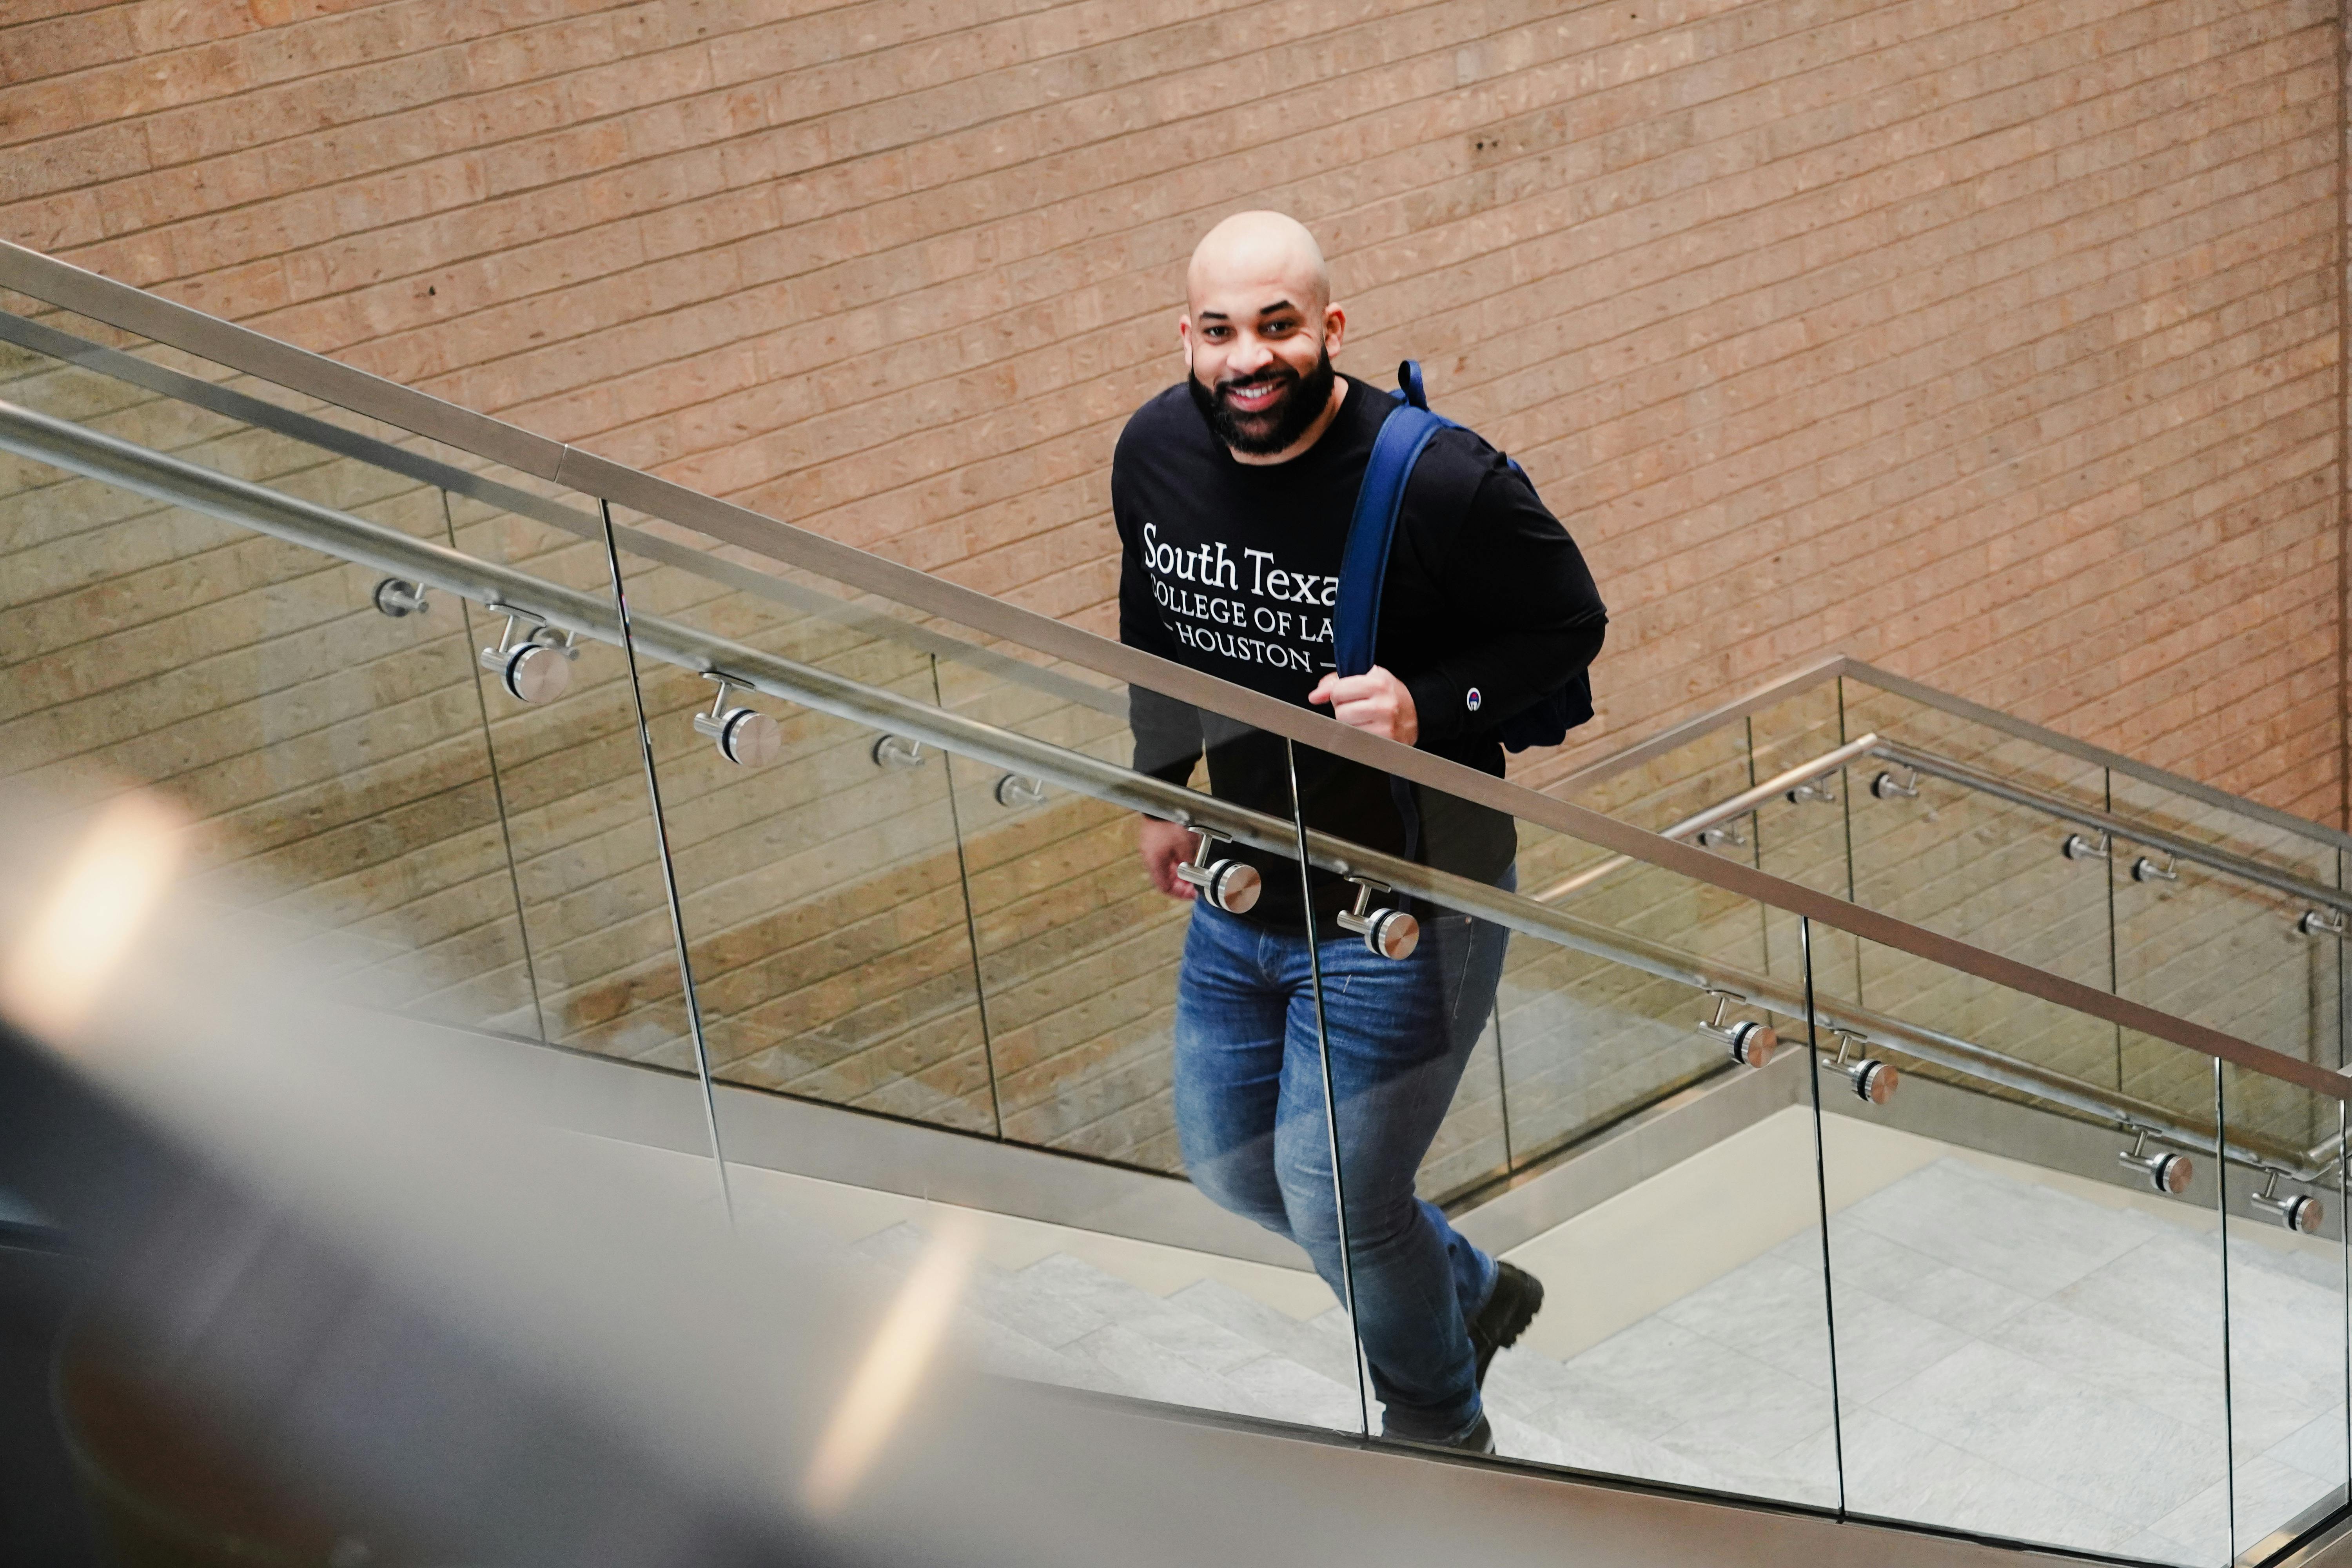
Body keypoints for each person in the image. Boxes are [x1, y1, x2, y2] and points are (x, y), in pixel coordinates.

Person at [1111, 211, 1608, 1450]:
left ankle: (1442, 1432)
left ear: (1331, 329)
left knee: (1340, 1199)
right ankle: (1468, 1291)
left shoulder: (1440, 478)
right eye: (1220, 332)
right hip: (1244, 883)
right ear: (1186, 338)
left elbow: (1568, 624)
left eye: (1279, 326)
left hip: (1406, 900)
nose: (1249, 358)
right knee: (1234, 1168)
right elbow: (1156, 622)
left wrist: (1428, 704)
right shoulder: (1155, 450)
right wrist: (1163, 786)